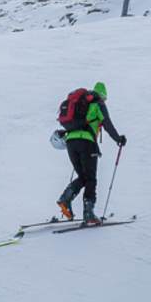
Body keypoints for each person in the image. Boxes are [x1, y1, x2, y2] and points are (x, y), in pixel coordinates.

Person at [56, 82, 126, 224]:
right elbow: (107, 124)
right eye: (105, 99)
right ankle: (88, 212)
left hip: (70, 142)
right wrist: (118, 139)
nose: (104, 101)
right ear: (102, 95)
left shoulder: (81, 104)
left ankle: (65, 199)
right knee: (91, 178)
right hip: (86, 142)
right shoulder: (97, 103)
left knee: (83, 177)